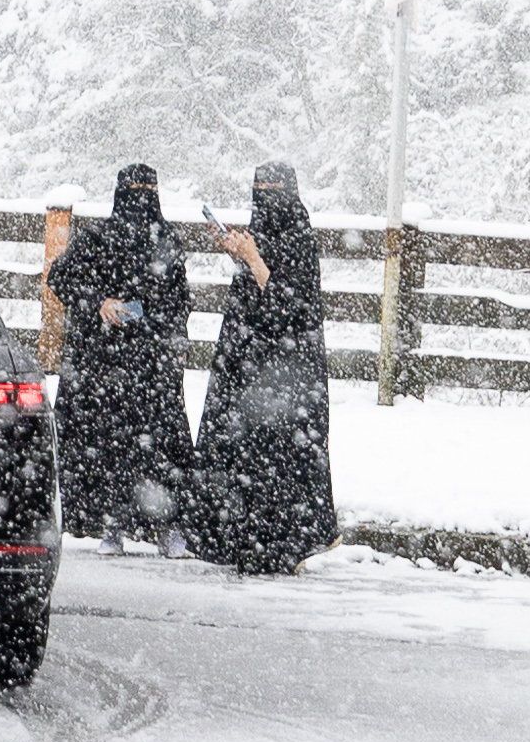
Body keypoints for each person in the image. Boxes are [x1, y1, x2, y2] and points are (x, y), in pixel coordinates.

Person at [194, 162, 339, 573]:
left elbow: (287, 305)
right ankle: (248, 539)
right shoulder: (264, 230)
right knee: (249, 455)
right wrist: (236, 249)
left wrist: (253, 257)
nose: (265, 201)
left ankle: (285, 543)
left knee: (283, 457)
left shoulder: (298, 238)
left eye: (271, 192)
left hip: (288, 373)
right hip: (252, 370)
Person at [45, 163, 195, 555]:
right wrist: (100, 303)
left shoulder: (167, 243)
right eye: (135, 192)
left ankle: (165, 525)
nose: (140, 202)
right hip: (104, 362)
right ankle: (112, 524)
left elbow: (180, 301)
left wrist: (150, 317)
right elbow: (60, 278)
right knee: (110, 444)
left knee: (157, 445)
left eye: (147, 191)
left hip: (151, 364)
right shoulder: (97, 239)